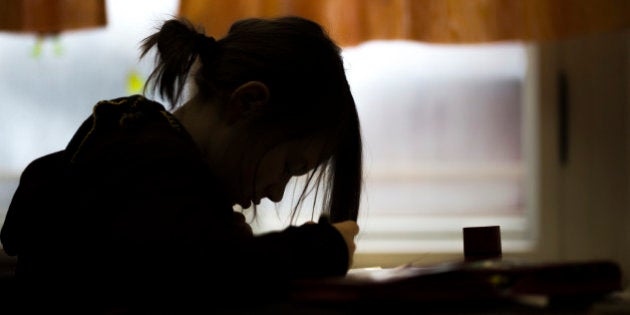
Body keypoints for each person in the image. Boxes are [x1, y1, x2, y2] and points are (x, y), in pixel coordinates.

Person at [0, 16, 362, 313]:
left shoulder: (133, 143)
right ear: (248, 102)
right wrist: (323, 248)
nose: (278, 193)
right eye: (288, 167)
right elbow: (204, 277)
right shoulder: (155, 167)